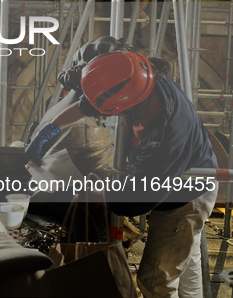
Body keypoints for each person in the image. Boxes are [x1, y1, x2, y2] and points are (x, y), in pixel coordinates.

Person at [25, 50, 218, 298]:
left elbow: (131, 202)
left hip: (185, 200)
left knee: (156, 280)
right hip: (181, 178)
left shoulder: (163, 138)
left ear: (129, 105)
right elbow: (85, 106)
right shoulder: (142, 77)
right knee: (184, 266)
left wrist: (96, 191)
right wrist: (50, 131)